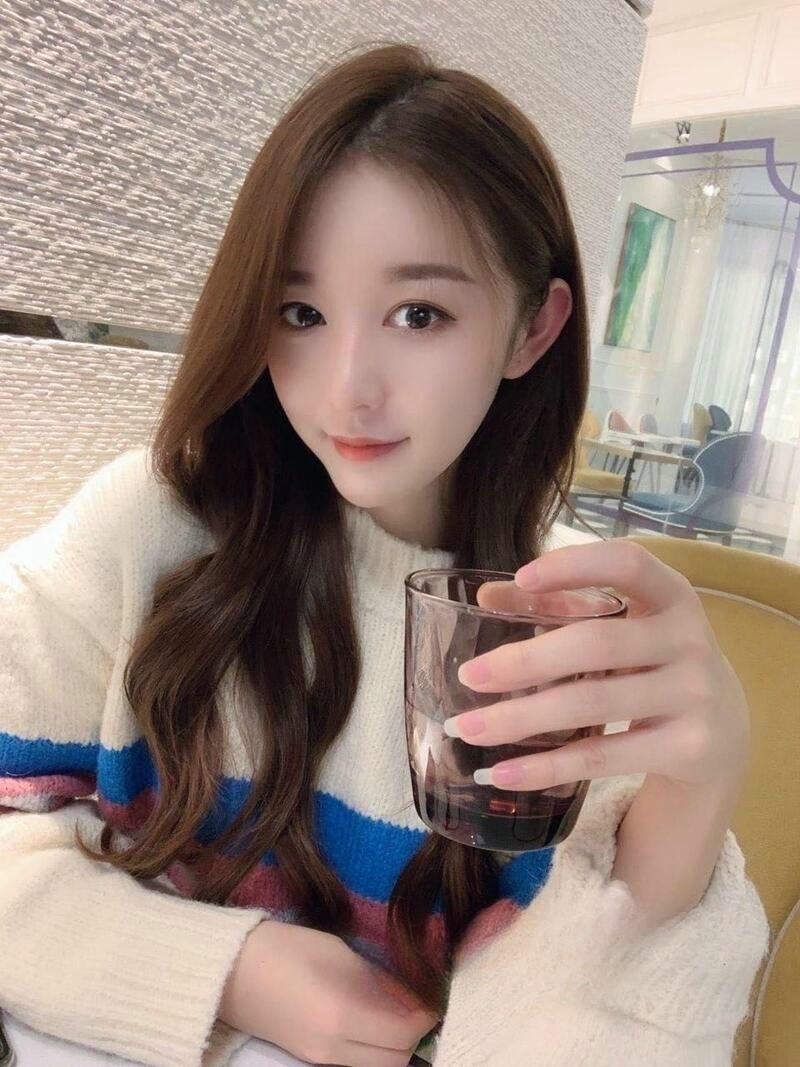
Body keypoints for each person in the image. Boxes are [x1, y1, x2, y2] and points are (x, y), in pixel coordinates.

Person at [0, 40, 769, 1067]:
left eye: (418, 313)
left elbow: (593, 1039)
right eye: (301, 312)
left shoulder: (569, 629)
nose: (347, 387)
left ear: (531, 331)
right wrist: (230, 972)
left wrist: (698, 792)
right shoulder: (151, 530)